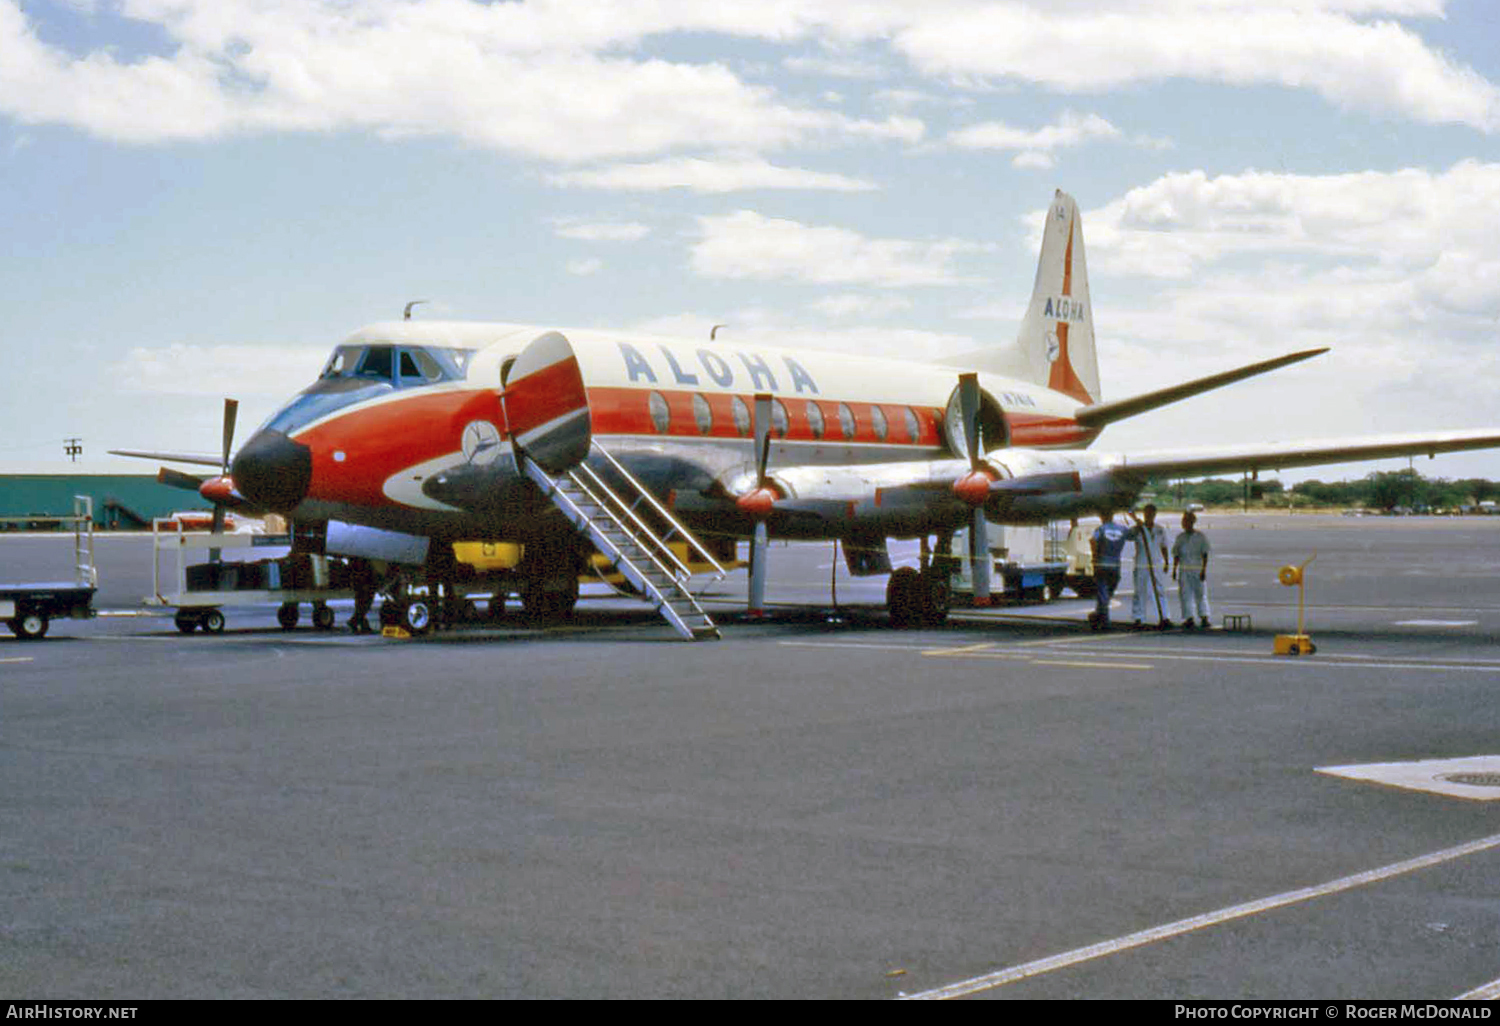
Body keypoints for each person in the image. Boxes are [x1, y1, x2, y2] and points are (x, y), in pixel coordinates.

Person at [1124, 504, 1172, 629]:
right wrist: (1137, 526)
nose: (1149, 515)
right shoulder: (1138, 529)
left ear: (1155, 514)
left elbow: (1164, 546)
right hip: (1142, 563)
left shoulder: (1160, 529)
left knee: (1159, 590)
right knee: (1140, 591)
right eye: (1147, 513)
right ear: (1144, 514)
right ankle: (1138, 618)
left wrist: (1166, 562)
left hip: (1156, 563)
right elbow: (1128, 536)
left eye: (1152, 513)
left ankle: (1164, 617)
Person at [1172, 510, 1212, 629]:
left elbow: (1205, 554)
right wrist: (1174, 570)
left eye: (1186, 521)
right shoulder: (1180, 537)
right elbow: (1176, 554)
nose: (1184, 523)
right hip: (1184, 569)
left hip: (1197, 568)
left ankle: (1204, 616)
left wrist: (1204, 570)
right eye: (1183, 521)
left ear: (1192, 522)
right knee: (1185, 594)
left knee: (1201, 593)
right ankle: (1189, 618)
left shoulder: (1200, 536)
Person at [1089, 511, 1128, 630]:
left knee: (1102, 592)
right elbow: (1133, 534)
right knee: (1108, 591)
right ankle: (1100, 614)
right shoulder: (1122, 529)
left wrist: (1095, 556)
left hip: (1102, 563)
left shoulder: (1100, 529)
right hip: (1115, 565)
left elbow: (1092, 540)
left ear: (1102, 517)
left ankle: (1103, 618)